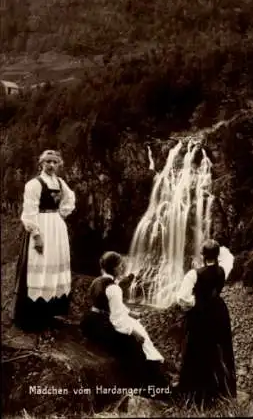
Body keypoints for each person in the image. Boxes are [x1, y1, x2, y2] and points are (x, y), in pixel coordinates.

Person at [80, 251, 169, 389]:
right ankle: (145, 384)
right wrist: (133, 333)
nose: (123, 268)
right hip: (102, 327)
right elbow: (117, 321)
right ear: (114, 268)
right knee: (136, 345)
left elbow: (111, 305)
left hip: (90, 321)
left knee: (135, 330)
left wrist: (130, 313)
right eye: (121, 266)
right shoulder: (114, 288)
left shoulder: (97, 281)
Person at [12, 149, 76, 332]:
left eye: (55, 162)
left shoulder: (61, 183)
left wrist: (59, 216)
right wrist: (37, 235)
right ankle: (31, 317)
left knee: (54, 265)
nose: (51, 165)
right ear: (41, 163)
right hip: (40, 227)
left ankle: (50, 314)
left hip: (55, 227)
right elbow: (29, 211)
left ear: (59, 164)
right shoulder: (34, 184)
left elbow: (69, 200)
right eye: (48, 161)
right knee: (38, 265)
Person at [176, 239, 237, 407]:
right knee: (219, 348)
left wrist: (195, 302)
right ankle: (219, 391)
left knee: (197, 348)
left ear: (202, 256)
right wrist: (217, 249)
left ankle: (196, 394)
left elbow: (182, 298)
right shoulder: (224, 270)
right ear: (217, 255)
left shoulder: (194, 274)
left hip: (201, 313)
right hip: (219, 312)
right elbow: (228, 256)